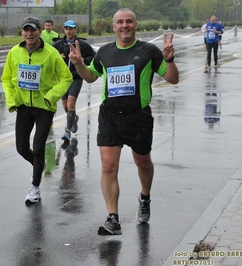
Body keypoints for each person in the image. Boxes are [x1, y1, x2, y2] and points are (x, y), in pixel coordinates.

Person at [68, 8, 179, 235]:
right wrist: (79, 64)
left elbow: (172, 79)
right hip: (109, 116)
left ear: (135, 25)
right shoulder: (105, 52)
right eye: (120, 22)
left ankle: (145, 197)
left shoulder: (148, 51)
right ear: (114, 27)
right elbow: (90, 77)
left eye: (129, 21)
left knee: (143, 163)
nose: (125, 25)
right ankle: (113, 218)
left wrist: (169, 59)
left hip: (138, 117)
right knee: (109, 167)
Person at [1, 17, 72, 205]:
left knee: (39, 147)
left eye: (33, 30)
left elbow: (66, 78)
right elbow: (6, 79)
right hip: (23, 106)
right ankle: (38, 165)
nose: (29, 34)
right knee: (22, 148)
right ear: (21, 32)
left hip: (44, 107)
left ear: (40, 31)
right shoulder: (14, 53)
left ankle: (35, 187)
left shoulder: (51, 53)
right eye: (26, 30)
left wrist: (51, 96)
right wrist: (12, 100)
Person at [53, 20, 96, 141]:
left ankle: (67, 131)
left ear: (75, 30)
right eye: (66, 28)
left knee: (71, 103)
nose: (69, 31)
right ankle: (73, 119)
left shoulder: (82, 44)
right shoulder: (58, 44)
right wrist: (58, 57)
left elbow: (94, 56)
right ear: (64, 30)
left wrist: (82, 60)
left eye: (71, 29)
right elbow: (49, 56)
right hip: (62, 79)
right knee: (66, 106)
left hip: (75, 77)